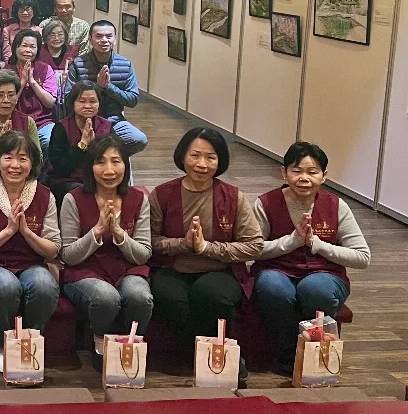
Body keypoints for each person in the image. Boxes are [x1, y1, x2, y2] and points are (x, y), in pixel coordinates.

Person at [150, 127, 263, 383]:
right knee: (171, 297)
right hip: (173, 268)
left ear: (220, 160)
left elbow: (254, 244)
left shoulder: (234, 197)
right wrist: (183, 244)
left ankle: (214, 355)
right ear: (183, 156)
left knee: (211, 294)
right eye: (195, 155)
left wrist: (206, 249)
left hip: (219, 270)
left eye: (210, 157)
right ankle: (209, 356)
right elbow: (151, 241)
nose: (202, 164)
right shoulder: (163, 194)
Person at [253, 142, 370, 375]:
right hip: (276, 271)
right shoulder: (265, 203)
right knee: (271, 287)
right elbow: (252, 249)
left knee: (315, 288)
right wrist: (292, 241)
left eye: (312, 172)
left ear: (324, 176)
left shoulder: (337, 206)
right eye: (296, 171)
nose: (304, 178)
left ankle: (314, 354)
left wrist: (319, 245)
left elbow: (362, 257)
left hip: (325, 275)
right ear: (283, 172)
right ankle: (288, 354)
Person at [0, 131, 60, 372]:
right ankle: (3, 344)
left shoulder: (44, 195)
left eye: (23, 158)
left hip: (30, 264)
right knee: (6, 285)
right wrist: (8, 231)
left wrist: (26, 232)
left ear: (32, 163)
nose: (15, 165)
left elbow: (54, 248)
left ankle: (28, 342)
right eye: (8, 157)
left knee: (44, 284)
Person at [59, 135, 152, 372]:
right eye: (100, 162)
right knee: (106, 297)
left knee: (140, 297)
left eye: (116, 161)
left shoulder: (139, 198)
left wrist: (120, 235)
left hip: (128, 268)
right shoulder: (74, 199)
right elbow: (68, 254)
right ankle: (99, 343)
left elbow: (143, 254)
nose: (109, 170)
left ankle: (131, 345)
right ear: (90, 167)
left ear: (126, 165)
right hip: (84, 271)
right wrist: (98, 232)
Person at [62, 20, 148, 154]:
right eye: (99, 36)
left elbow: (133, 99)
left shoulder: (125, 64)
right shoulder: (78, 64)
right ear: (90, 40)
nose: (104, 40)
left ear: (115, 39)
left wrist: (108, 87)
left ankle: (112, 159)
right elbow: (68, 98)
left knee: (139, 139)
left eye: (109, 36)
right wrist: (95, 88)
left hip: (113, 120)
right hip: (82, 121)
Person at [45, 81, 115, 207]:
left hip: (100, 178)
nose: (88, 106)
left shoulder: (107, 127)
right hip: (66, 180)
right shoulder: (61, 128)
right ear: (73, 104)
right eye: (82, 101)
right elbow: (60, 168)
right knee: (80, 193)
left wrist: (94, 146)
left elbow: (113, 159)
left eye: (93, 101)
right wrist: (82, 145)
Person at [8, 30, 58, 152]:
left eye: (32, 47)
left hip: (42, 122)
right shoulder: (7, 71)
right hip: (14, 122)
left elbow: (50, 102)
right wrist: (22, 82)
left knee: (49, 140)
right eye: (24, 46)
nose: (28, 50)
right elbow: (8, 103)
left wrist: (32, 82)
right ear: (15, 48)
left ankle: (42, 171)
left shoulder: (46, 69)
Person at [38, 20, 78, 114]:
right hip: (45, 95)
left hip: (67, 96)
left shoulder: (73, 51)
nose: (57, 38)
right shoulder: (39, 51)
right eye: (52, 35)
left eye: (60, 34)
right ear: (46, 36)